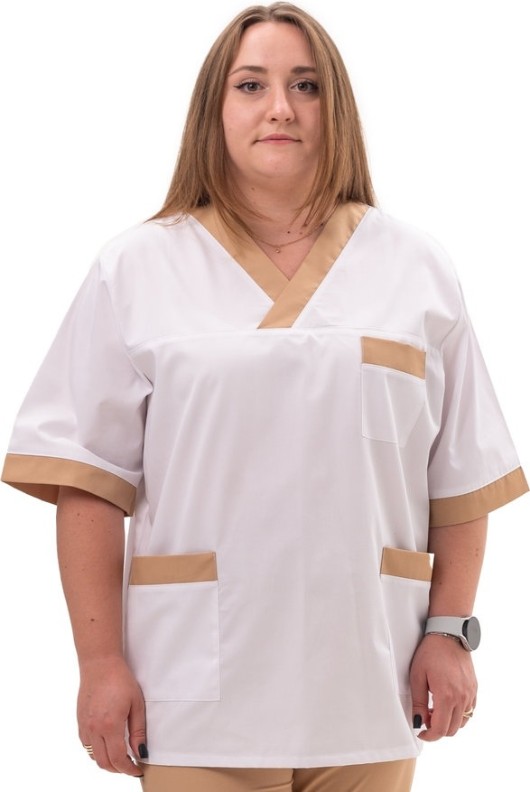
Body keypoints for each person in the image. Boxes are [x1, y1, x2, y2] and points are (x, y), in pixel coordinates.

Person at [2, 3, 528, 791]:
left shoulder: (414, 266)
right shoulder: (136, 268)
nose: (280, 107)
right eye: (252, 85)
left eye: (306, 85)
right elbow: (87, 484)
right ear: (214, 109)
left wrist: (450, 631)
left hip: (371, 677)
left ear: (335, 108)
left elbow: (460, 473)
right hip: (194, 691)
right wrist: (100, 662)